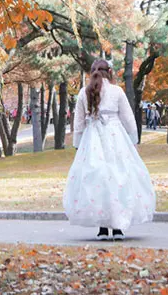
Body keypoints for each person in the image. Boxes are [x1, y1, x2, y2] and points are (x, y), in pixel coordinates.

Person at [63, 58, 156, 241]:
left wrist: (77, 143)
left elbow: (79, 121)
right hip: (116, 139)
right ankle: (119, 226)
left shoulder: (84, 92)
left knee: (96, 179)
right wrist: (134, 139)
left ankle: (103, 227)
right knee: (119, 178)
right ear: (110, 72)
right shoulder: (116, 91)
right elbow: (128, 118)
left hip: (92, 139)